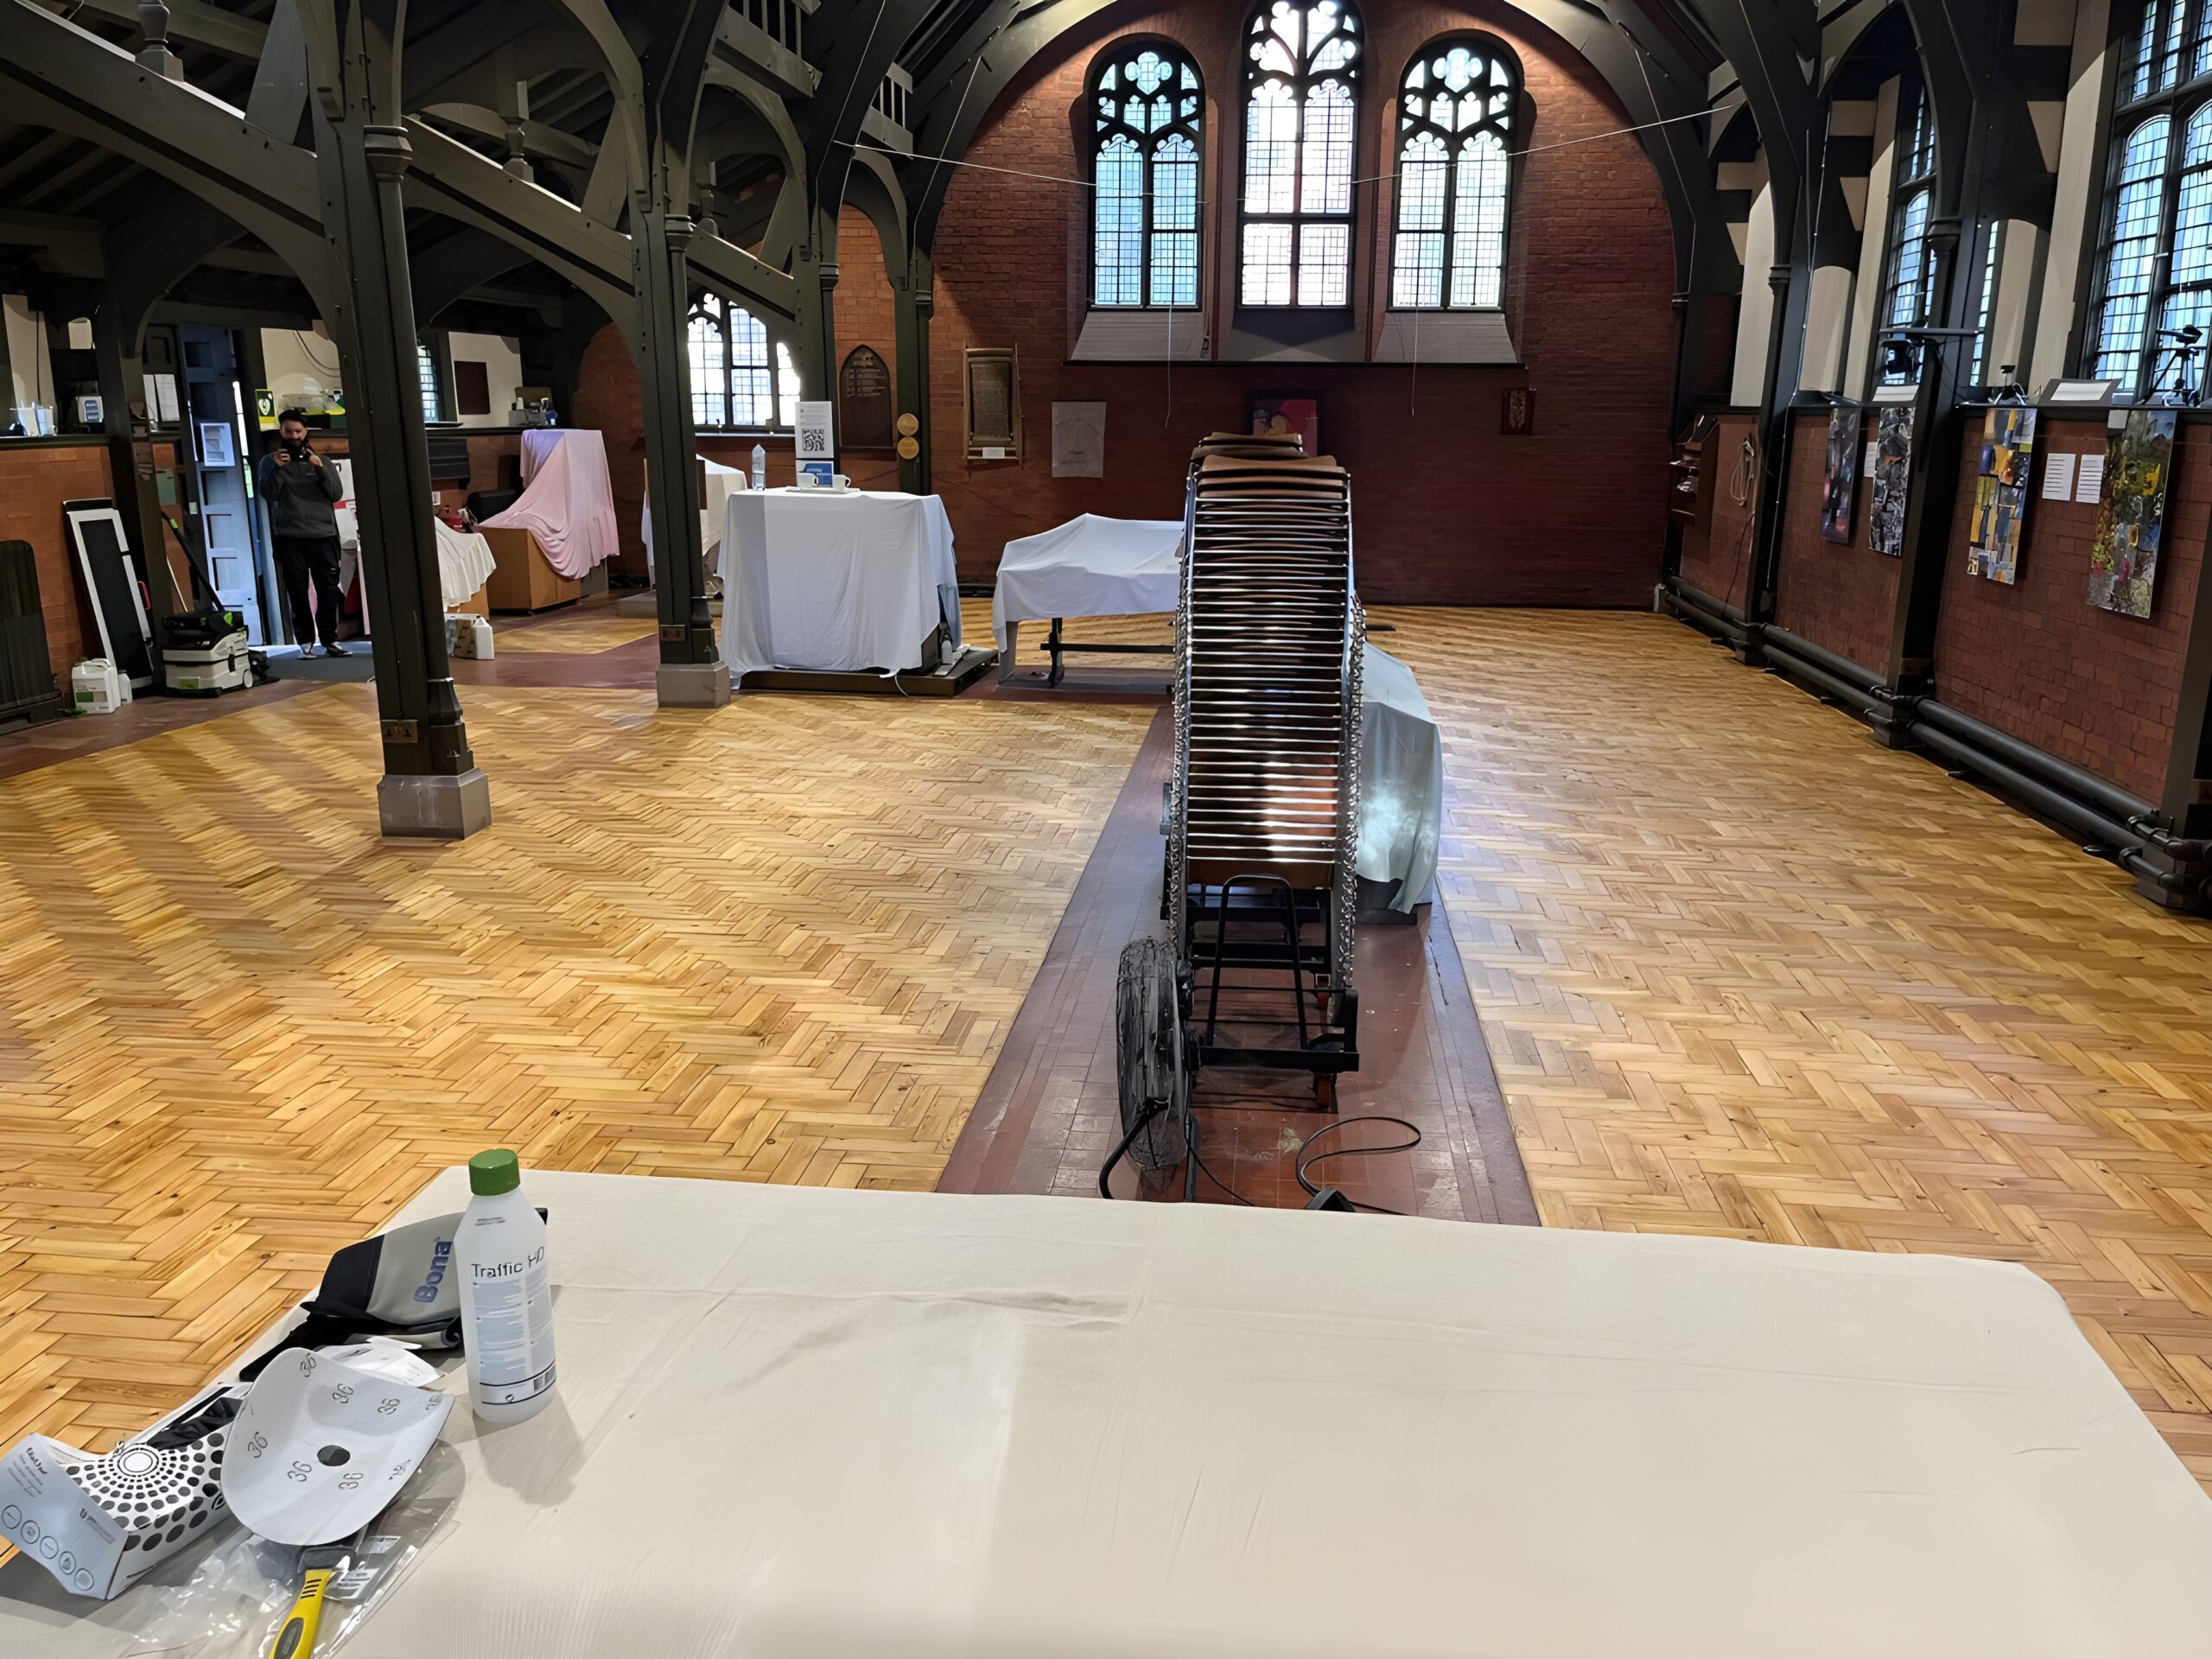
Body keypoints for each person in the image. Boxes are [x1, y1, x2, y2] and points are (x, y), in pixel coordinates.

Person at [255, 410, 350, 658]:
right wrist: (276, 469)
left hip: (323, 535)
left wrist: (319, 467)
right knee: (297, 591)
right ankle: (305, 641)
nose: (295, 436)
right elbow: (268, 495)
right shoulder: (269, 462)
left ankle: (330, 639)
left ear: (306, 432)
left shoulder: (323, 462)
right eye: (289, 431)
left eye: (299, 431)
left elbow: (336, 494)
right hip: (289, 537)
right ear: (281, 432)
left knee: (328, 591)